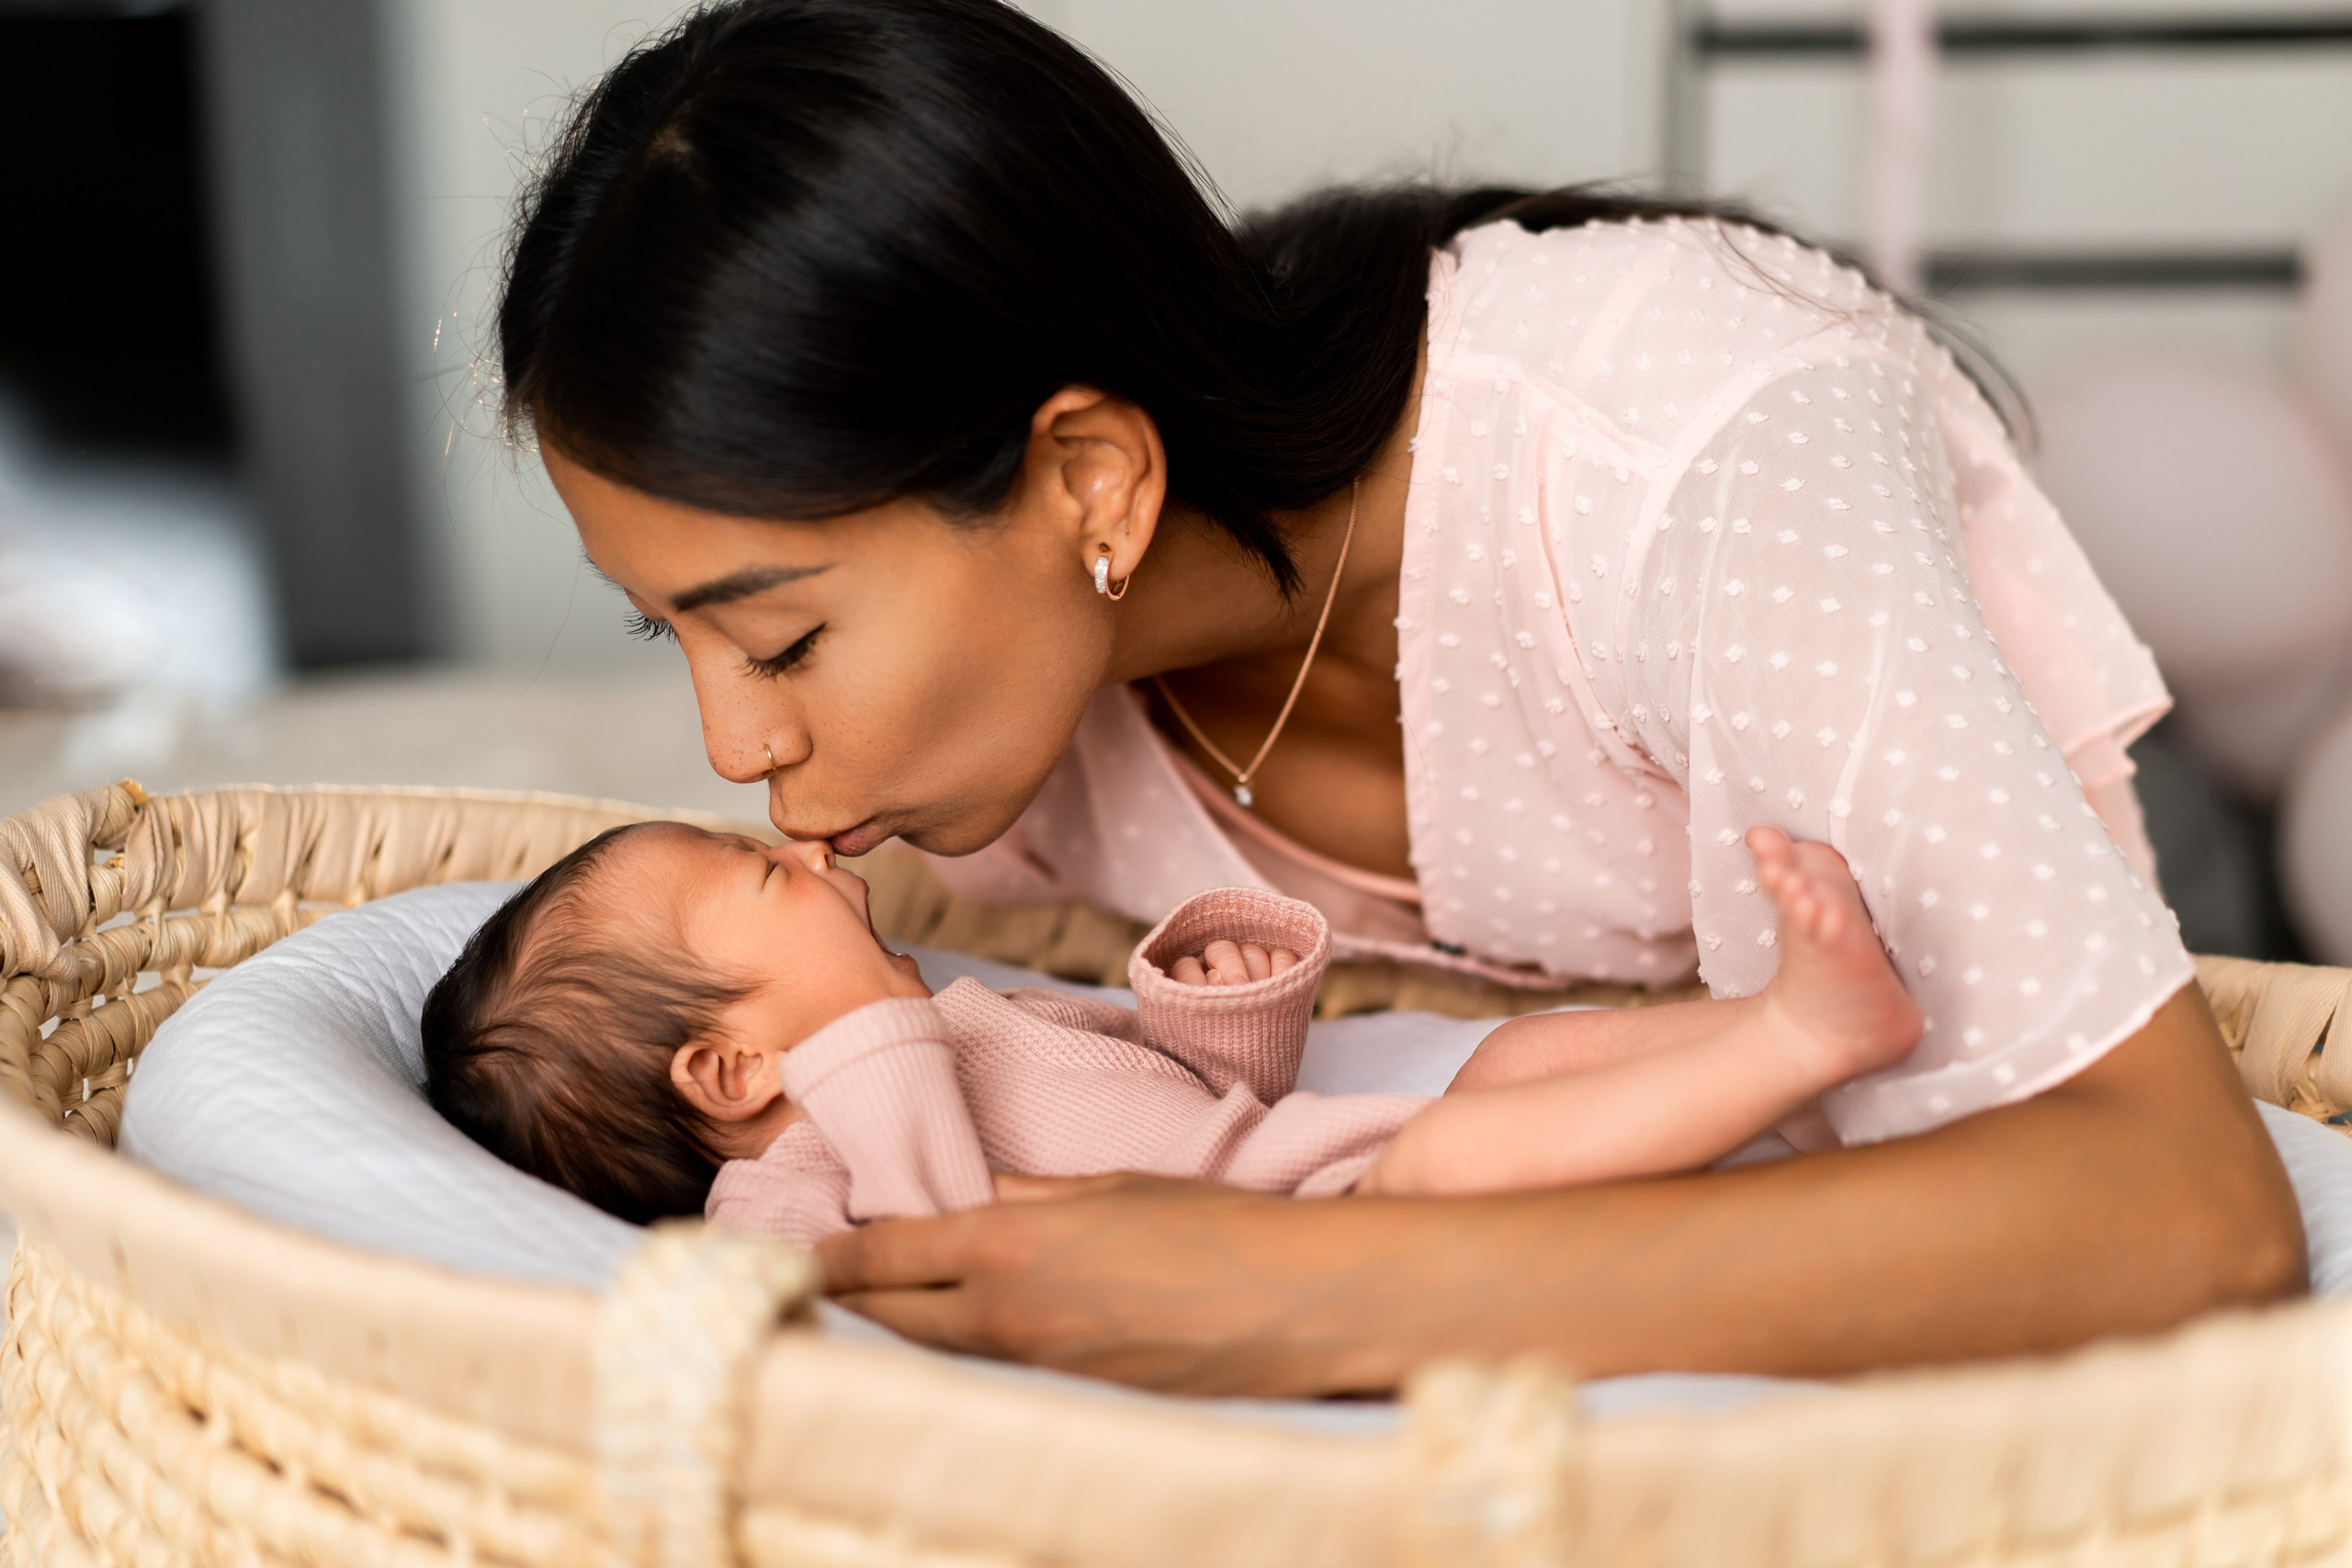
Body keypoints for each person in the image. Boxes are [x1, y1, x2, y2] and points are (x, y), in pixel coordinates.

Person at [492, 0, 2303, 1392]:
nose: (739, 752)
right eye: (677, 635)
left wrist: (1292, 1291)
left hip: (2115, 923)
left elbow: (2180, 1208)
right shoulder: (988, 746)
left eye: (784, 639)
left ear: (1093, 482)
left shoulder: (1686, 455)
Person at [419, 821, 1925, 1235]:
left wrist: (1216, 1010)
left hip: (1283, 1157)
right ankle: (1805, 1043)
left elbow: (1189, 1098)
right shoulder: (792, 1177)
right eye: (764, 875)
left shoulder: (962, 1007)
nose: (811, 853)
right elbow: (850, 1294)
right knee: (1461, 1158)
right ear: (730, 1069)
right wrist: (871, 1048)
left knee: (1514, 1065)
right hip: (1297, 1236)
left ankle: (1785, 1056)